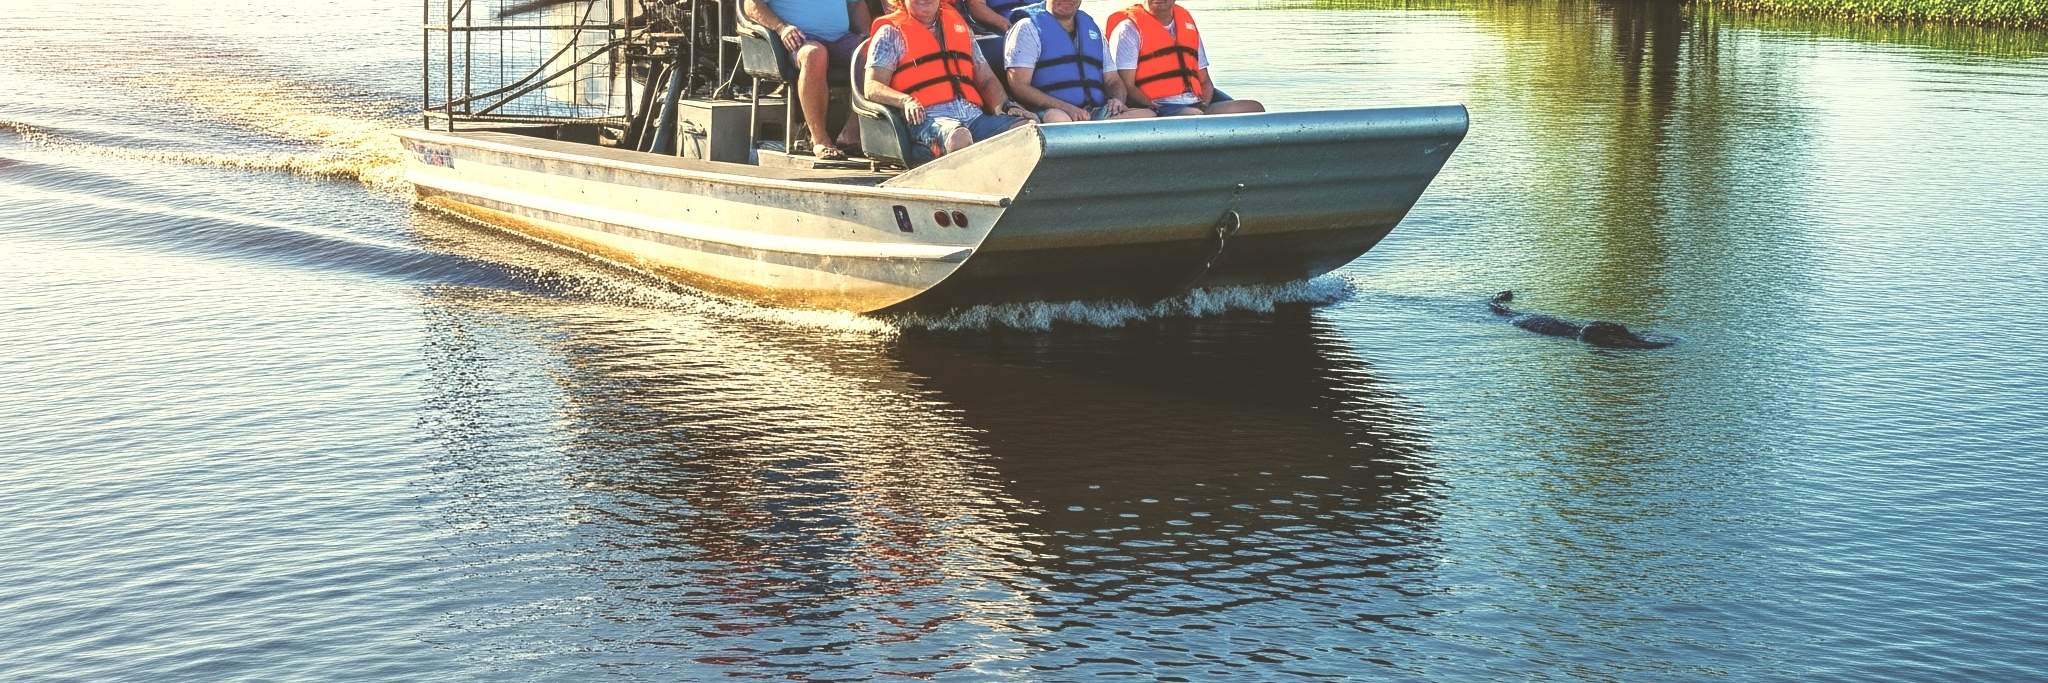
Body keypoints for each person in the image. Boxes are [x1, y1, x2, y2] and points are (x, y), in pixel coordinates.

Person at [865, 0, 1035, 160]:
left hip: (973, 115)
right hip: (927, 119)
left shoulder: (960, 27)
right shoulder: (889, 33)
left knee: (1027, 129)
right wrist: (905, 100)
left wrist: (1006, 106)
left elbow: (986, 79)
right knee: (959, 138)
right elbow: (872, 87)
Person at [744, 0, 873, 160]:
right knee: (814, 54)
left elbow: (856, 4)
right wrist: (782, 28)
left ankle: (852, 134)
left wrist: (867, 33)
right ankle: (820, 140)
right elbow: (751, 5)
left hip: (842, 38)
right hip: (800, 39)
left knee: (876, 52)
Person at [1001, 0, 1153, 122]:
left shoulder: (1093, 29)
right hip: (1051, 111)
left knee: (1149, 116)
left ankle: (1099, 141)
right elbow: (1019, 86)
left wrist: (1117, 100)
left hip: (1093, 112)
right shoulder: (1027, 28)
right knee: (1059, 119)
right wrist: (1067, 108)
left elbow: (1113, 80)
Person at [1104, 0, 1263, 116]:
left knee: (1254, 109)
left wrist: (1205, 105)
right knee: (1193, 116)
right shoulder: (1128, 29)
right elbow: (1127, 86)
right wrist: (1155, 107)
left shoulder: (1186, 22)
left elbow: (1205, 80)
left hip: (1196, 103)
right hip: (1157, 106)